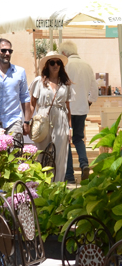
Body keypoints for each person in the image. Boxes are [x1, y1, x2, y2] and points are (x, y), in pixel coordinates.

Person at [30, 51, 75, 183]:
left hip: (61, 118)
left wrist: (70, 127)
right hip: (43, 117)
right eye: (52, 62)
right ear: (47, 65)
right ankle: (40, 185)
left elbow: (68, 108)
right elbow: (32, 104)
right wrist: (30, 121)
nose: (55, 65)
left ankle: (57, 186)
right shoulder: (39, 81)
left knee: (59, 154)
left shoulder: (66, 84)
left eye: (58, 62)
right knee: (41, 153)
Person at [61, 41, 96, 183]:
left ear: (64, 53)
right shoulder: (87, 65)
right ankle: (84, 164)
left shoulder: (65, 65)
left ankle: (69, 176)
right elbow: (94, 88)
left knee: (66, 141)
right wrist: (88, 101)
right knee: (78, 139)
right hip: (82, 108)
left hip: (66, 109)